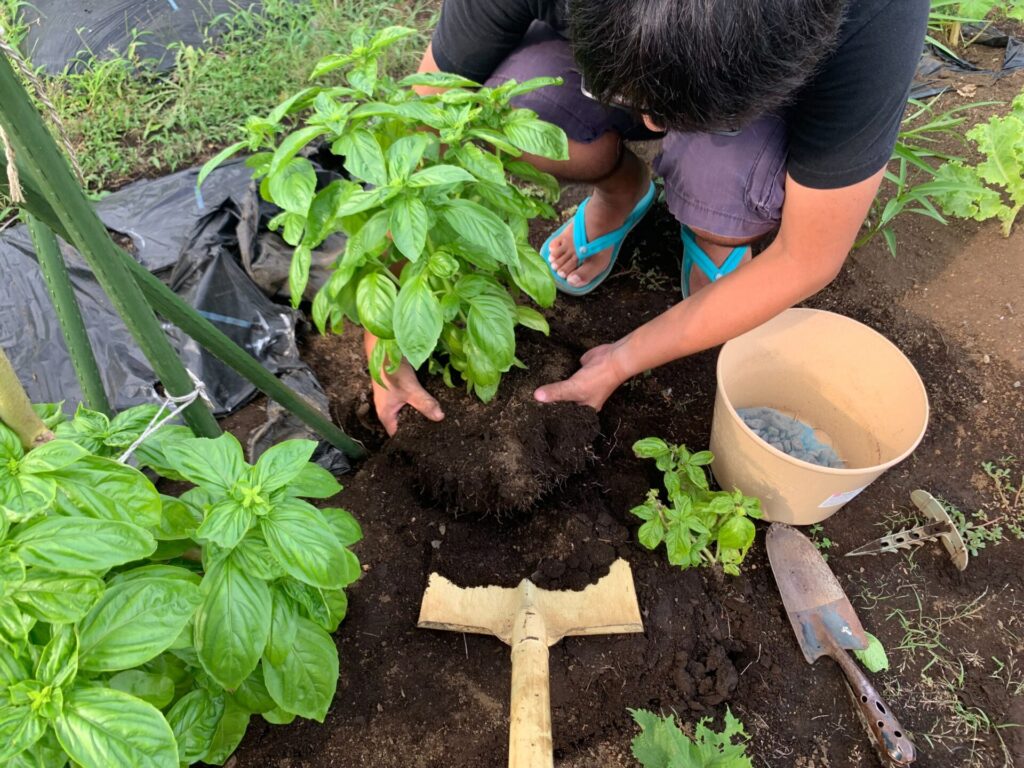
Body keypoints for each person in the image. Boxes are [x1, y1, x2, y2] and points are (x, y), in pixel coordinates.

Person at [368, 0, 931, 434]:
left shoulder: (873, 18)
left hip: (758, 110)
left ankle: (713, 233)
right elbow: (426, 118)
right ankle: (621, 193)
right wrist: (383, 328)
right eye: (636, 98)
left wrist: (622, 359)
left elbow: (808, 255)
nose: (653, 129)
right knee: (508, 107)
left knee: (721, 167)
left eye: (673, 113)